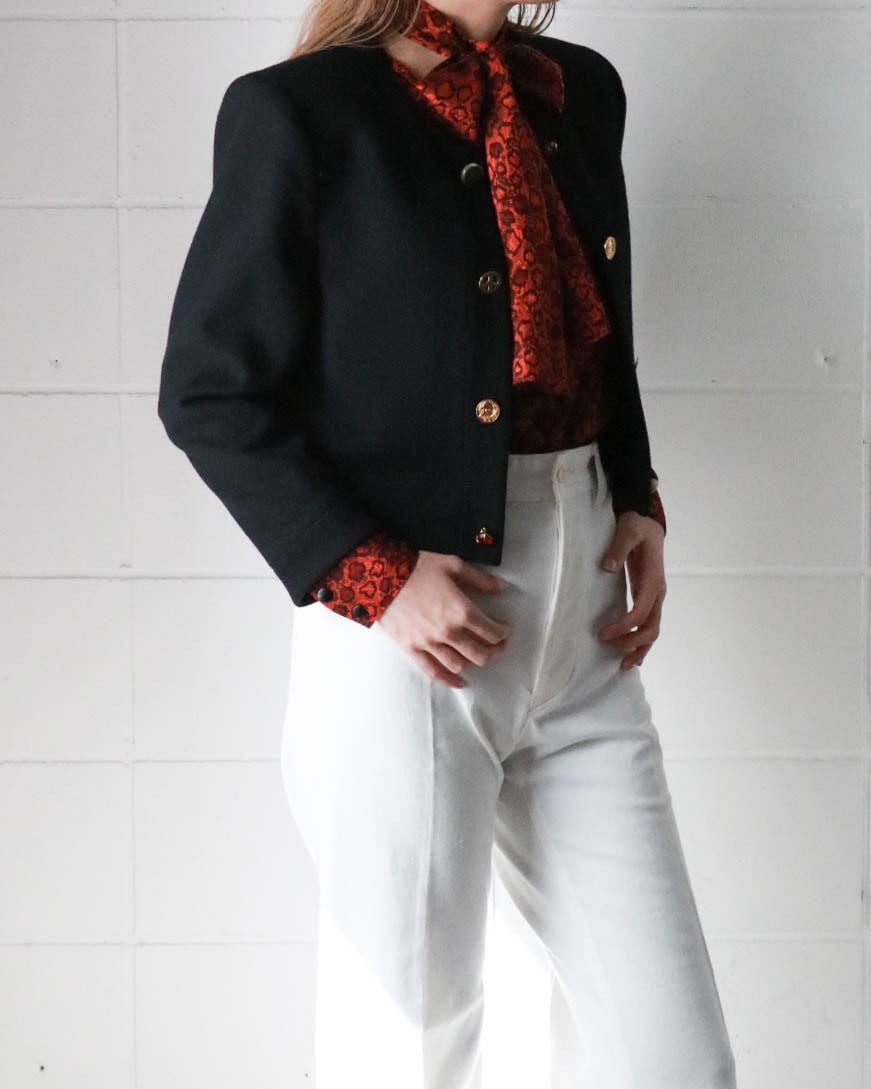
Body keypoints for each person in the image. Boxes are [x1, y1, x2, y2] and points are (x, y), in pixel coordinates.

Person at [157, 0, 738, 1086]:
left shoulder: (578, 88)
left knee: (672, 1055)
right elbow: (209, 392)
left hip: (585, 619)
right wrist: (373, 575)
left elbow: (601, 332)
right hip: (407, 630)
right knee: (409, 1045)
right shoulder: (300, 111)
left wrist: (637, 495)